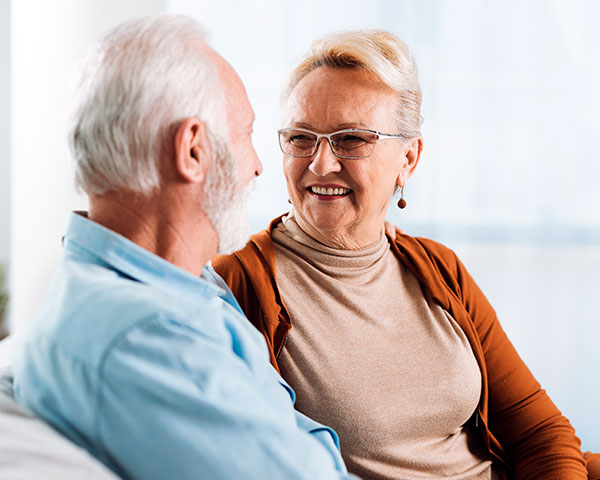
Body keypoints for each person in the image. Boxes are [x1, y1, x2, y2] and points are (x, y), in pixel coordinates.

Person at [212, 30, 600, 480]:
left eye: (351, 139)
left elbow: (537, 431)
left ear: (409, 159)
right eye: (301, 138)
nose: (320, 164)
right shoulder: (238, 282)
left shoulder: (436, 267)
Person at [11, 15, 355, 480]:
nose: (257, 167)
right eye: (247, 134)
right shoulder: (144, 337)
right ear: (193, 150)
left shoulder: (178, 281)